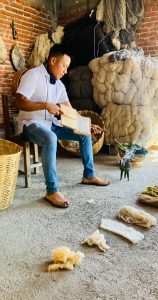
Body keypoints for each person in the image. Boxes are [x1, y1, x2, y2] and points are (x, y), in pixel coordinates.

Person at [15, 44, 109, 208]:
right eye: (64, 66)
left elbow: (70, 110)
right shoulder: (33, 75)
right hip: (31, 125)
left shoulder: (59, 85)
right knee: (51, 138)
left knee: (84, 133)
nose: (66, 71)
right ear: (53, 60)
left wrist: (87, 124)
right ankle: (51, 191)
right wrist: (45, 105)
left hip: (51, 124)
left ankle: (89, 175)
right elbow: (19, 101)